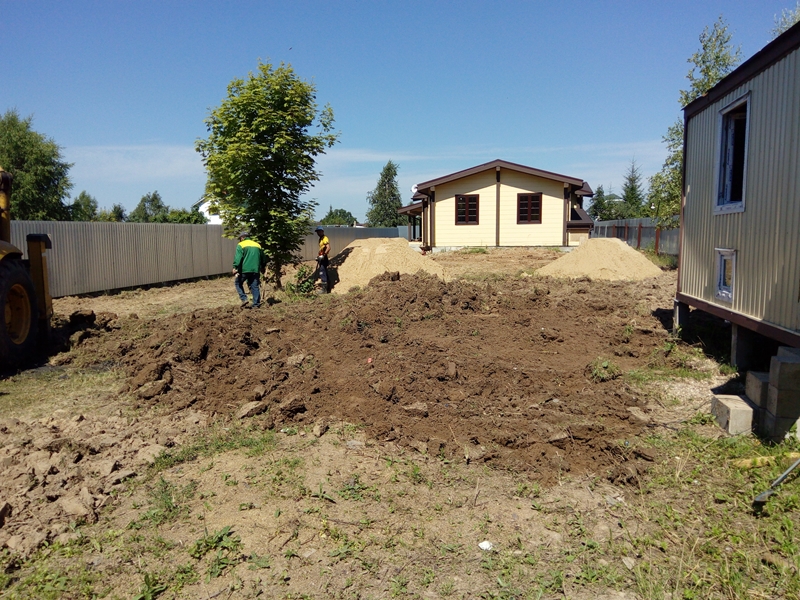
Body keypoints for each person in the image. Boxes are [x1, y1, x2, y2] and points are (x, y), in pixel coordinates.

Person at [232, 231, 266, 308]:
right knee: (255, 286)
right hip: (255, 270)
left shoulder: (241, 245)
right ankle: (256, 305)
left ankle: (244, 299)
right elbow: (263, 258)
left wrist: (235, 267)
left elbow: (238, 258)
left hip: (244, 269)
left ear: (242, 238)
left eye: (240, 238)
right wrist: (263, 267)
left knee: (238, 283)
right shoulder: (257, 245)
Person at [315, 226, 331, 293]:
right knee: (324, 271)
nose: (318, 233)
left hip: (324, 257)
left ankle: (324, 290)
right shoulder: (320, 239)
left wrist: (323, 255)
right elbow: (322, 249)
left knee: (322, 272)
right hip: (322, 257)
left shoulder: (324, 238)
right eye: (317, 232)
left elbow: (328, 247)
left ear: (322, 231)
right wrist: (319, 256)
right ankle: (328, 288)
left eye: (319, 231)